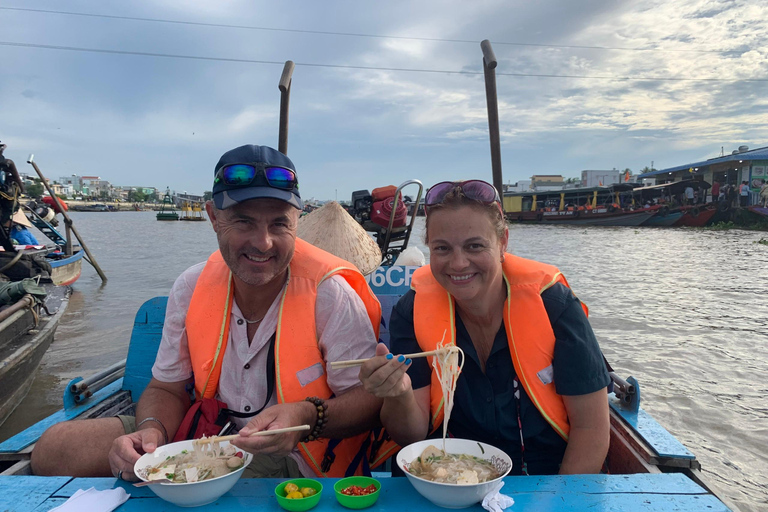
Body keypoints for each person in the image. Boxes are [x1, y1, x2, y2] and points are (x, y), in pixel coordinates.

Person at [31, 144, 384, 480]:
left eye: (279, 223)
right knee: (55, 447)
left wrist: (307, 416)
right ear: (213, 217)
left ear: (297, 220)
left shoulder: (330, 296)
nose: (263, 242)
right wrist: (150, 434)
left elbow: (369, 402)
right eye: (244, 222)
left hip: (299, 459)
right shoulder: (191, 286)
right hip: (204, 438)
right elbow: (166, 389)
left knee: (221, 479)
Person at [358, 180, 610, 476]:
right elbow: (410, 436)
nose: (459, 263)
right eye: (442, 248)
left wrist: (561, 502)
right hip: (443, 477)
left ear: (503, 242)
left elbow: (591, 428)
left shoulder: (553, 306)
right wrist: (398, 394)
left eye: (474, 246)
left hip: (541, 479)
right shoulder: (411, 311)